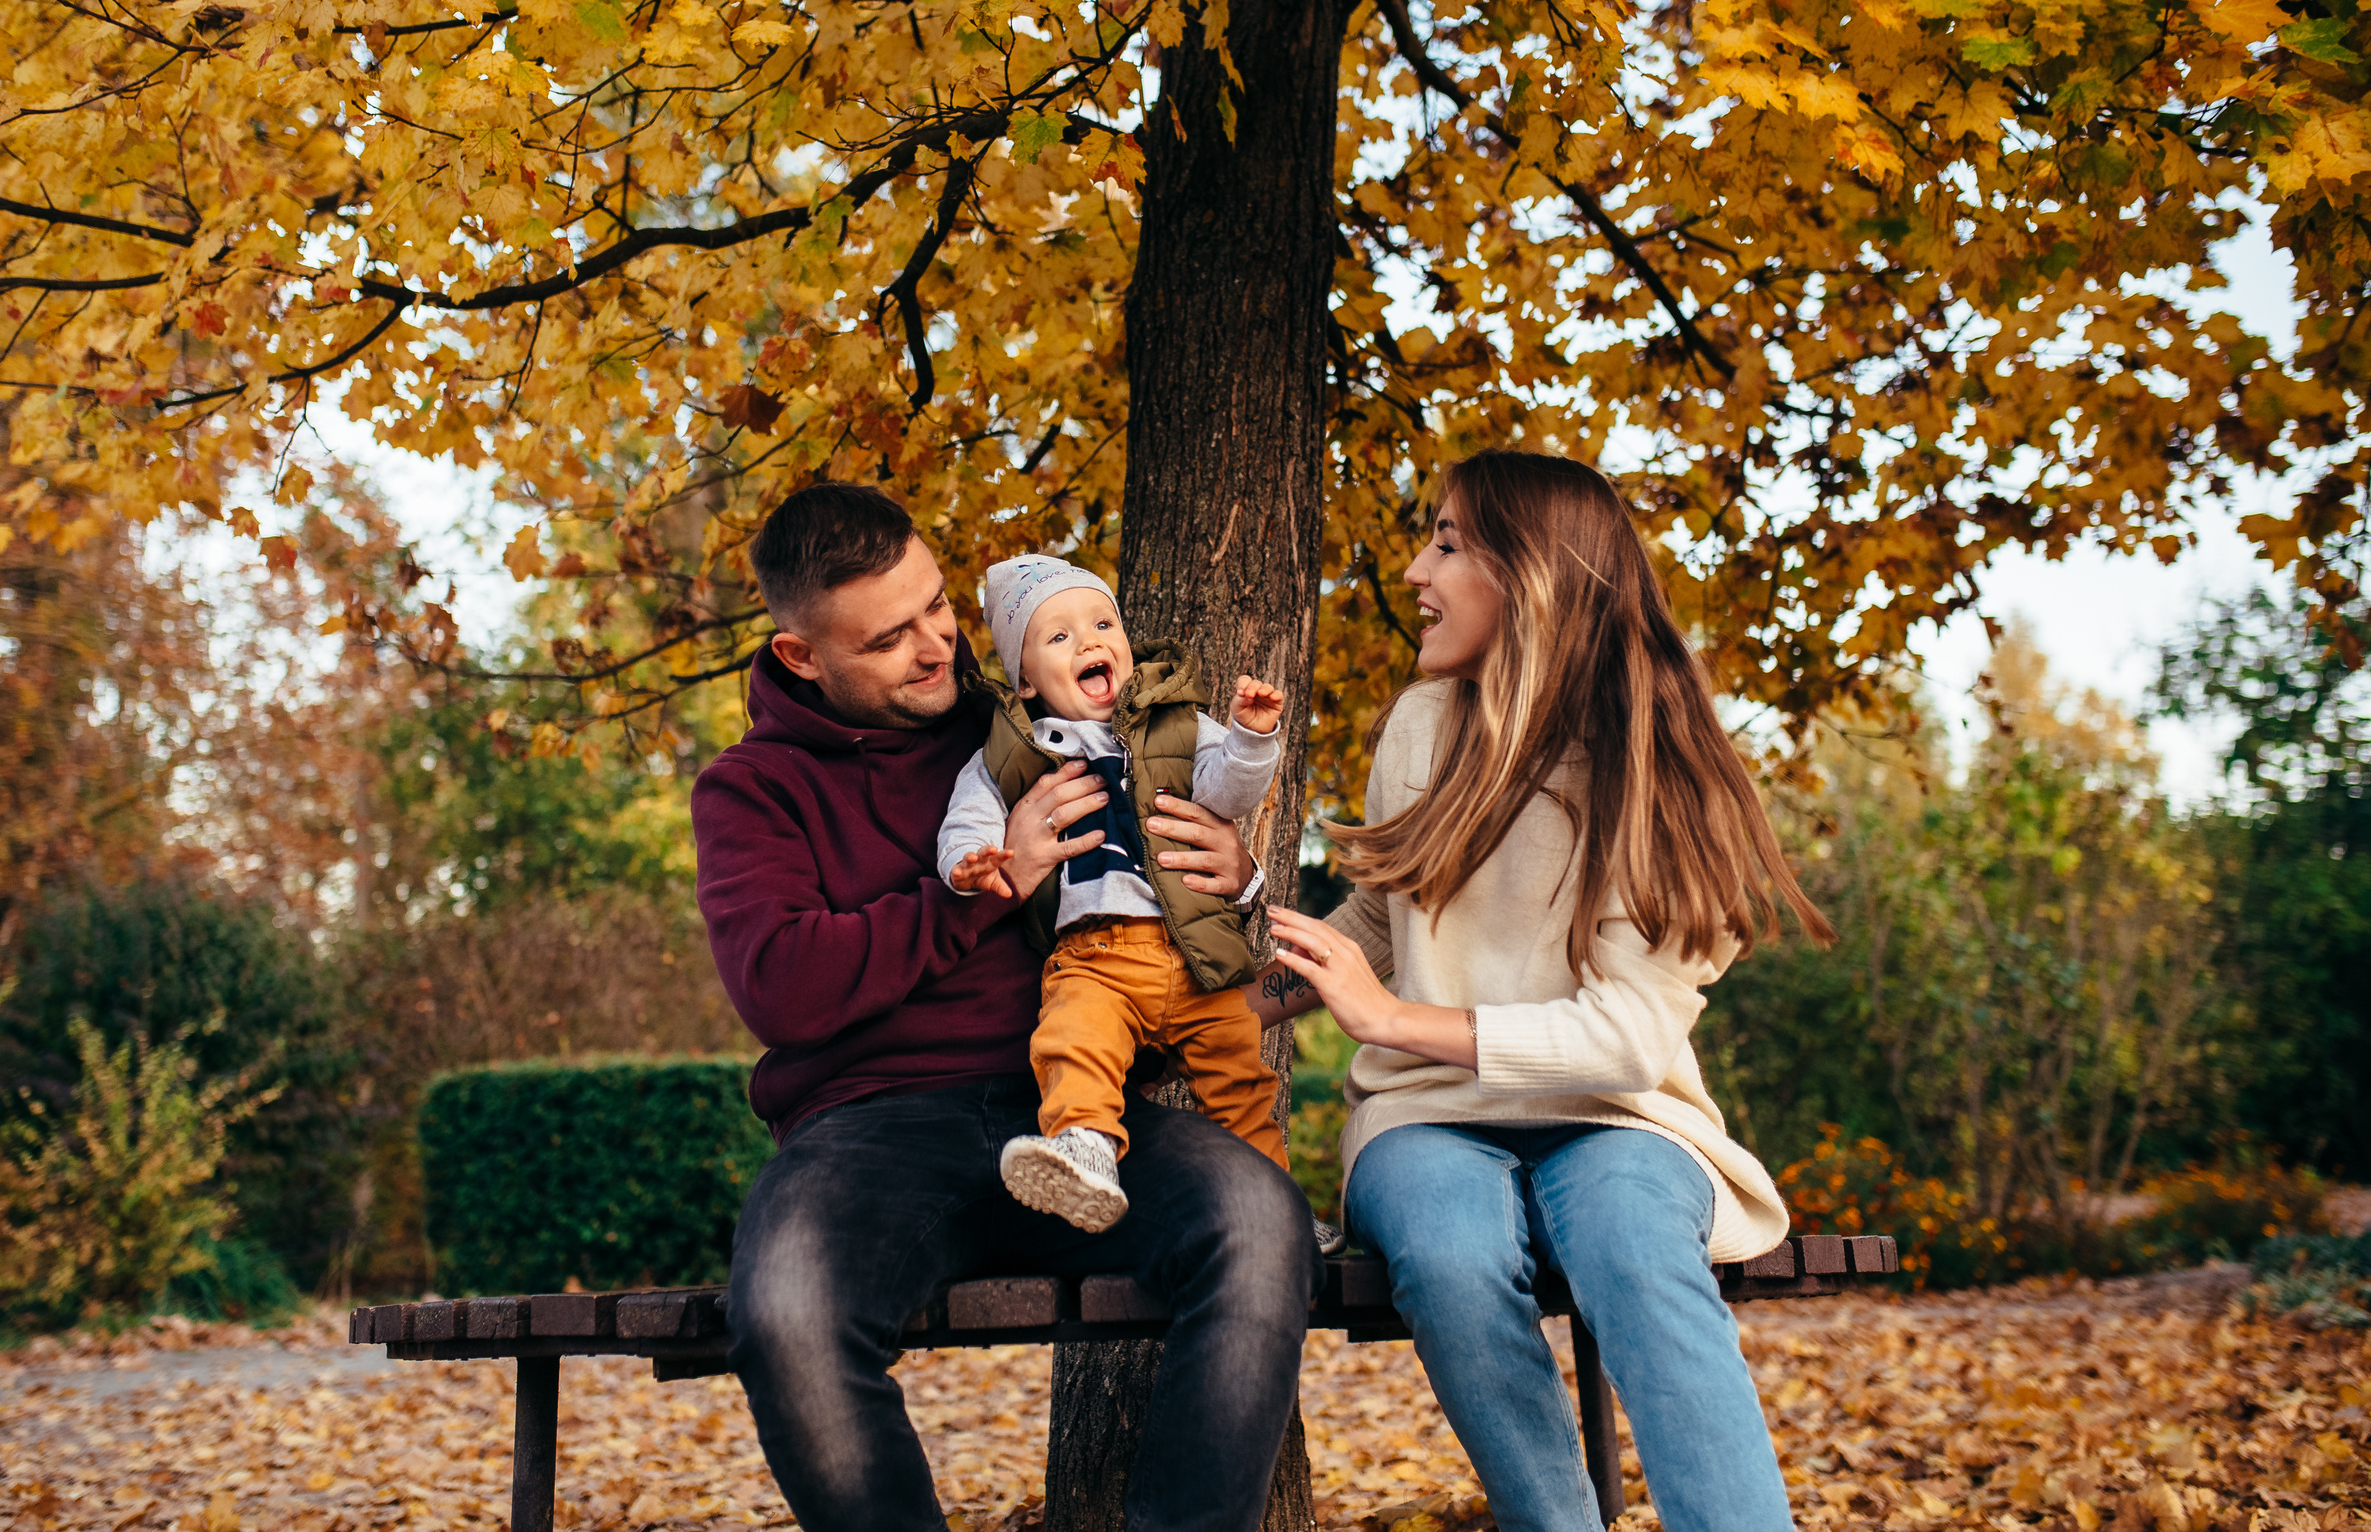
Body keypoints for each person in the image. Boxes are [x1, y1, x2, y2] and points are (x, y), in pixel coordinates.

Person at [691, 484, 1321, 1532]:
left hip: (1076, 1116)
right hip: (870, 1134)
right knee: (787, 1309)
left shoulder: (1037, 726)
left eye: (935, 605)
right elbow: (782, 984)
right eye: (889, 637)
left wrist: (1239, 878)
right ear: (802, 655)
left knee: (1263, 1220)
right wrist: (979, 887)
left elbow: (1158, 892)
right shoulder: (752, 788)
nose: (936, 644)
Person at [1251, 450, 1834, 1532]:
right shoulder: (1423, 723)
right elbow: (1385, 917)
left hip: (1620, 1115)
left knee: (1629, 1241)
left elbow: (1622, 1038)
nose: (1416, 569)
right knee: (1451, 1253)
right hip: (1423, 1117)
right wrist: (1229, 993)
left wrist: (1388, 1019)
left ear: (1533, 574)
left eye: (1447, 542)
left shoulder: (1653, 766)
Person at [936, 554, 1290, 1232]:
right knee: (1073, 1039)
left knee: (1242, 1081)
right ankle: (1086, 1149)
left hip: (1193, 958)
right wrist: (968, 862)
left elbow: (1226, 790)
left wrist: (1250, 735)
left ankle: (1278, 1205)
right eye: (1060, 635)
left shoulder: (1179, 726)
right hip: (1094, 953)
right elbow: (969, 813)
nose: (1091, 640)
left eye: (1103, 623)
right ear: (1027, 681)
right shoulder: (1014, 752)